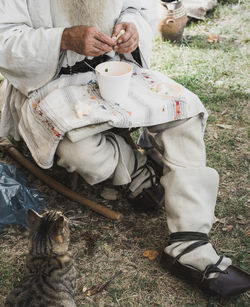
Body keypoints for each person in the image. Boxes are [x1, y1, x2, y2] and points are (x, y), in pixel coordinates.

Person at [0, 0, 249, 297]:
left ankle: (190, 241)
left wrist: (134, 28)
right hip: (51, 82)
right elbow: (5, 38)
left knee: (183, 113)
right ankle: (138, 173)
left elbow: (139, 8)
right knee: (80, 150)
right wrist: (64, 38)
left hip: (117, 68)